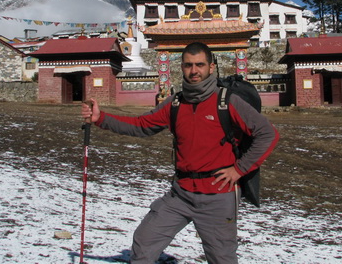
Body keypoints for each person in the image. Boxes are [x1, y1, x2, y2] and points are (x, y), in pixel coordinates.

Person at [81, 42, 279, 263]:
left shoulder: (227, 102)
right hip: (180, 194)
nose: (194, 71)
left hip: (218, 196)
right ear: (181, 67)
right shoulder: (175, 103)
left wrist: (239, 169)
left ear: (211, 67)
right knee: (144, 241)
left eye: (200, 65)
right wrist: (101, 119)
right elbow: (141, 124)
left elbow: (267, 134)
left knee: (221, 258)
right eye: (188, 65)